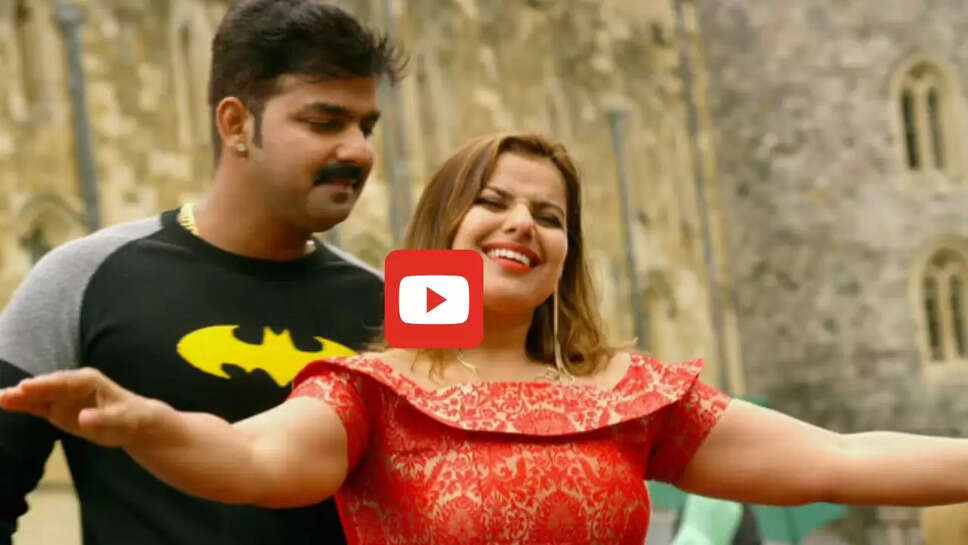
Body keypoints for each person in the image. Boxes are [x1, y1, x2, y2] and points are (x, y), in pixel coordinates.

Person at [6, 132, 968, 545]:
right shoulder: (371, 388)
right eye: (494, 202)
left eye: (549, 215)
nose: (521, 225)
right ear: (443, 231)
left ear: (566, 253)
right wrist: (143, 422)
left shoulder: (627, 394)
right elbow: (248, 458)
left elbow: (841, 457)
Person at [0, 1, 404, 544]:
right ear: (236, 124)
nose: (358, 151)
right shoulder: (79, 279)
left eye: (367, 126)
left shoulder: (391, 305)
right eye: (324, 122)